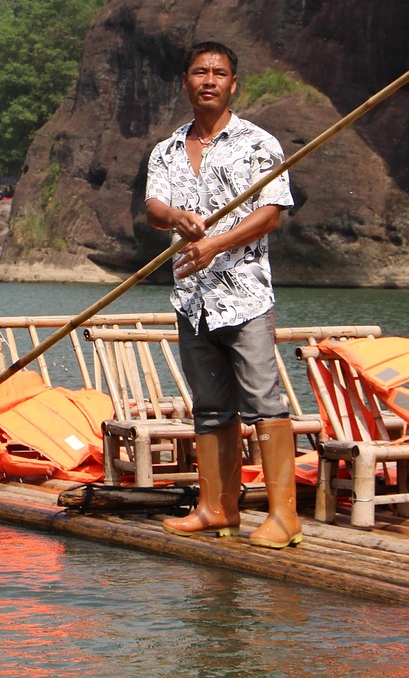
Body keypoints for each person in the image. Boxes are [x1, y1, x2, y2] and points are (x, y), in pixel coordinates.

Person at [144, 40, 299, 550]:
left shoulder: (259, 143)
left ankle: (283, 519)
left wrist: (216, 243)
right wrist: (175, 218)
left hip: (245, 296)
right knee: (210, 407)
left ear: (234, 84)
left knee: (264, 402)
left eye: (219, 73)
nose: (208, 80)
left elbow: (272, 211)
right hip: (191, 297)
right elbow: (153, 206)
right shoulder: (167, 149)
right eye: (199, 72)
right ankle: (216, 509)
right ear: (185, 81)